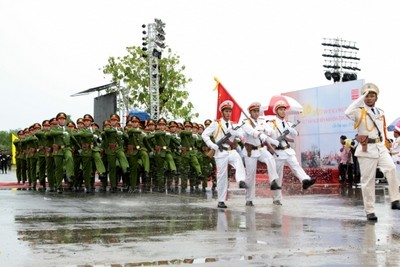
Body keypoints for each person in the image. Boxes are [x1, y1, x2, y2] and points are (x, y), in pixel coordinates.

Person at [345, 82, 400, 221]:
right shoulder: (358, 111)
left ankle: (395, 200)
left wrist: (385, 145)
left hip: (380, 147)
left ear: (376, 98)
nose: (369, 98)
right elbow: (347, 112)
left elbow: (381, 131)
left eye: (372, 96)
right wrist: (361, 98)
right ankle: (370, 211)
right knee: (368, 181)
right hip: (366, 149)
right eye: (367, 96)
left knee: (392, 168)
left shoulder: (380, 112)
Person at [267, 100, 316, 204]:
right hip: (278, 152)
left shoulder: (289, 124)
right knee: (278, 176)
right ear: (276, 111)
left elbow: (295, 134)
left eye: (284, 109)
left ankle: (305, 180)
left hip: (288, 150)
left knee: (296, 166)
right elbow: (268, 135)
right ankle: (276, 199)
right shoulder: (272, 124)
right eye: (280, 109)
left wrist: (291, 130)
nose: (283, 111)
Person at [201, 100, 247, 209]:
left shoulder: (233, 124)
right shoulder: (216, 123)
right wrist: (212, 145)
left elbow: (241, 134)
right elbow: (204, 134)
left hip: (230, 151)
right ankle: (221, 200)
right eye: (226, 111)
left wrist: (237, 134)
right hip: (220, 152)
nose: (228, 113)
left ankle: (241, 181)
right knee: (222, 176)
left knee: (238, 160)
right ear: (222, 112)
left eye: (229, 111)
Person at [241, 102, 281, 206]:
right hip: (250, 151)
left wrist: (269, 135)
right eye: (254, 111)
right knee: (250, 176)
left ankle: (273, 181)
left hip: (261, 149)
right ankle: (249, 199)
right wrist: (259, 133)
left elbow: (270, 130)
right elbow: (251, 132)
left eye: (257, 111)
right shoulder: (245, 122)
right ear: (250, 112)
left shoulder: (262, 121)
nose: (256, 113)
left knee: (270, 158)